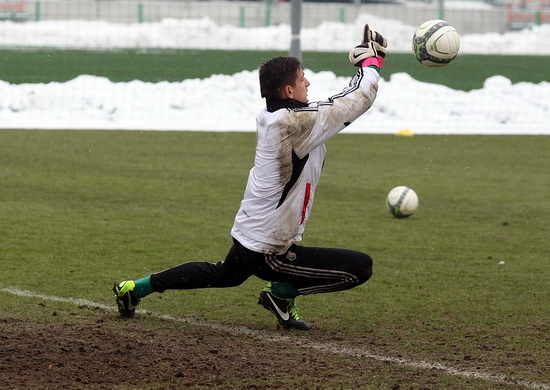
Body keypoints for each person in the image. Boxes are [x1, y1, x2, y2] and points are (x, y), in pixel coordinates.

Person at [113, 24, 387, 330]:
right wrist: (371, 63)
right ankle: (281, 294)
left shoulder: (276, 116)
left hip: (250, 233)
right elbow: (356, 101)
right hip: (268, 248)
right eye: (301, 79)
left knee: (223, 275)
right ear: (288, 91)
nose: (307, 82)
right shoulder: (295, 124)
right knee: (359, 267)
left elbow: (333, 106)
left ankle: (134, 288)